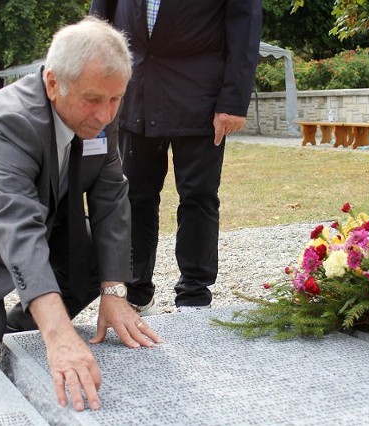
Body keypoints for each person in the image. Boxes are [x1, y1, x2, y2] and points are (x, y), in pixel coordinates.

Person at [0, 17, 161, 412]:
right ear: (54, 83)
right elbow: (16, 223)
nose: (105, 115)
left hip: (41, 216)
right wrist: (58, 335)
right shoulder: (11, 120)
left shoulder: (98, 117)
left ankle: (21, 327)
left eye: (115, 99)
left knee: (97, 264)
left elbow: (110, 200)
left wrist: (114, 292)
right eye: (93, 99)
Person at [89, 0, 262, 312]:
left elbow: (245, 27)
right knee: (135, 198)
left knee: (198, 197)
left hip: (201, 96)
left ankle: (194, 296)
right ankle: (136, 292)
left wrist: (234, 101)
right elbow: (100, 17)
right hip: (136, 89)